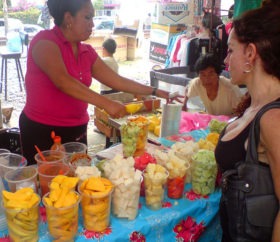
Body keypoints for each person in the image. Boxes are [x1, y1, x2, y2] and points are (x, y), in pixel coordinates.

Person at [19, 0, 181, 165]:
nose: (92, 24)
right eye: (87, 18)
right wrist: (107, 104)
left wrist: (154, 91)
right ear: (68, 18)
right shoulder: (44, 42)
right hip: (42, 129)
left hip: (76, 130)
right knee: (46, 184)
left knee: (77, 179)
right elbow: (63, 81)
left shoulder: (86, 51)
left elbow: (116, 80)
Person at [214, 2, 280, 241]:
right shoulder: (257, 102)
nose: (225, 60)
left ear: (250, 53)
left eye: (231, 50)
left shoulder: (276, 119)